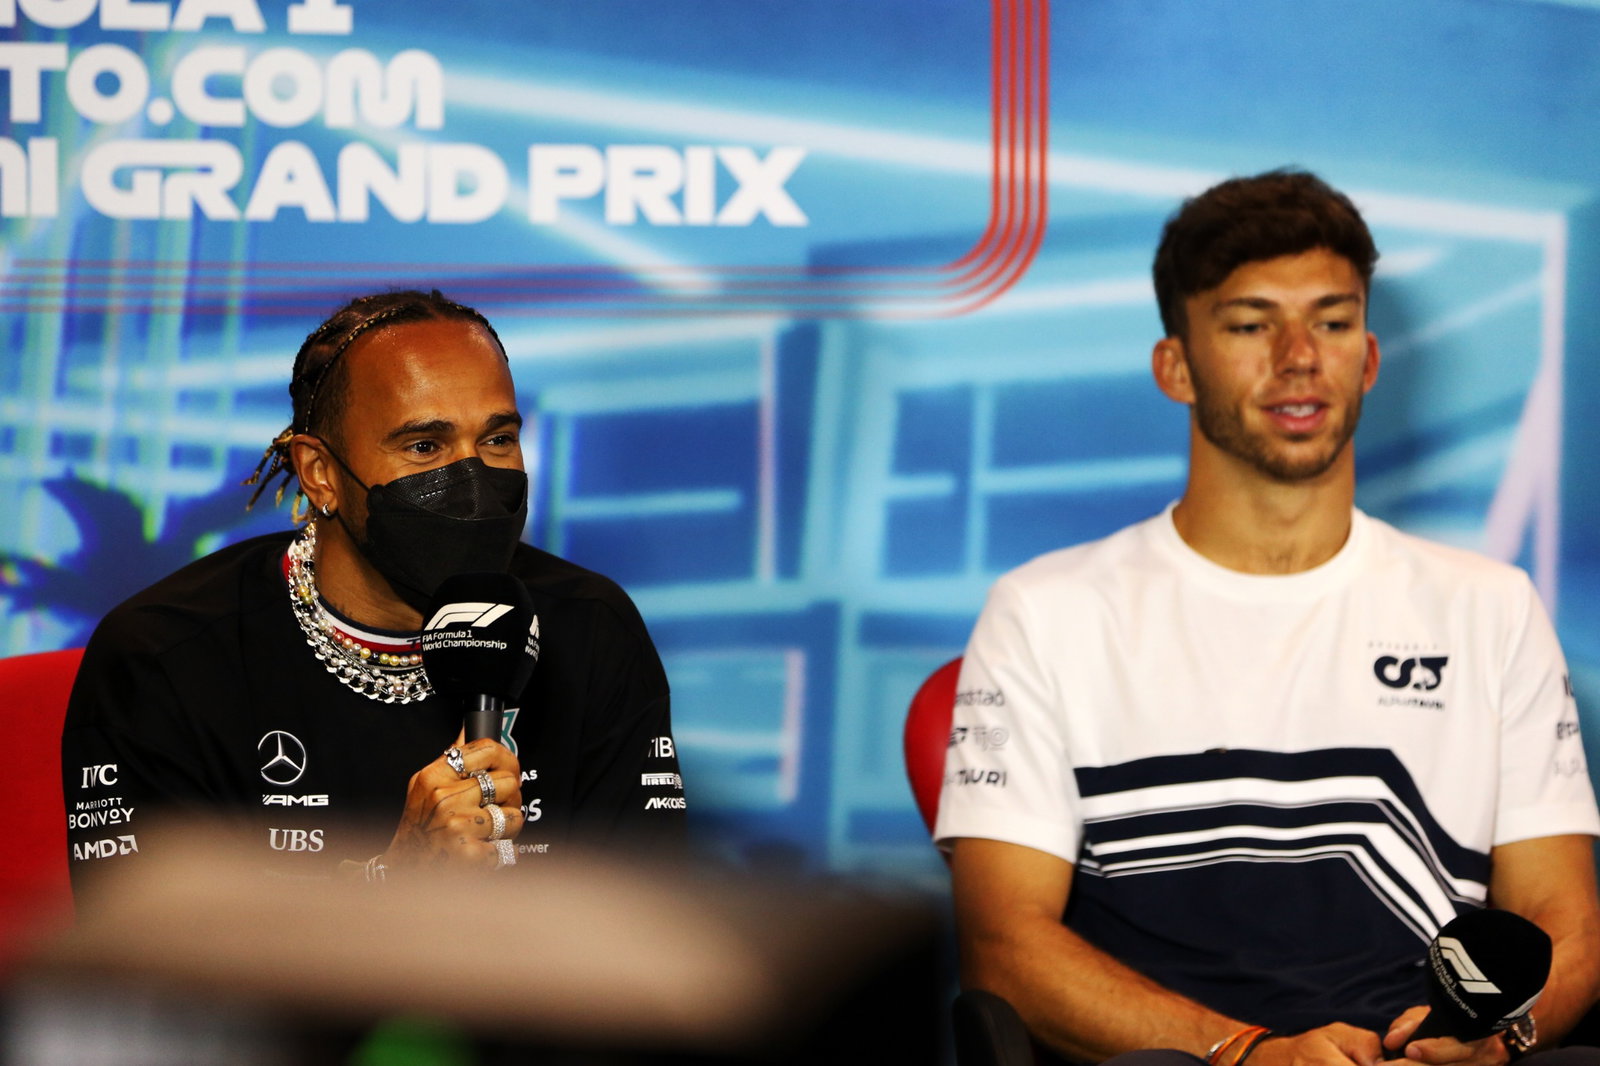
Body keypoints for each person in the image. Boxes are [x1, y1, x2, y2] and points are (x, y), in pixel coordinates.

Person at [935, 170, 1600, 1066]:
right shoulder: (1045, 612)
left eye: (1332, 322)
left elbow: (1565, 925)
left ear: (1369, 358)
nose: (1299, 358)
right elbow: (1005, 950)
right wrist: (1246, 1054)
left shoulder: (1491, 607)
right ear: (1175, 366)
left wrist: (1500, 1040)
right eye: (1251, 325)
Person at [62, 290, 686, 888]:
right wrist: (397, 875)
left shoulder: (590, 627)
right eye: (424, 446)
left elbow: (651, 920)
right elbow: (151, 946)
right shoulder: (163, 659)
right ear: (321, 473)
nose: (473, 482)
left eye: (497, 440)